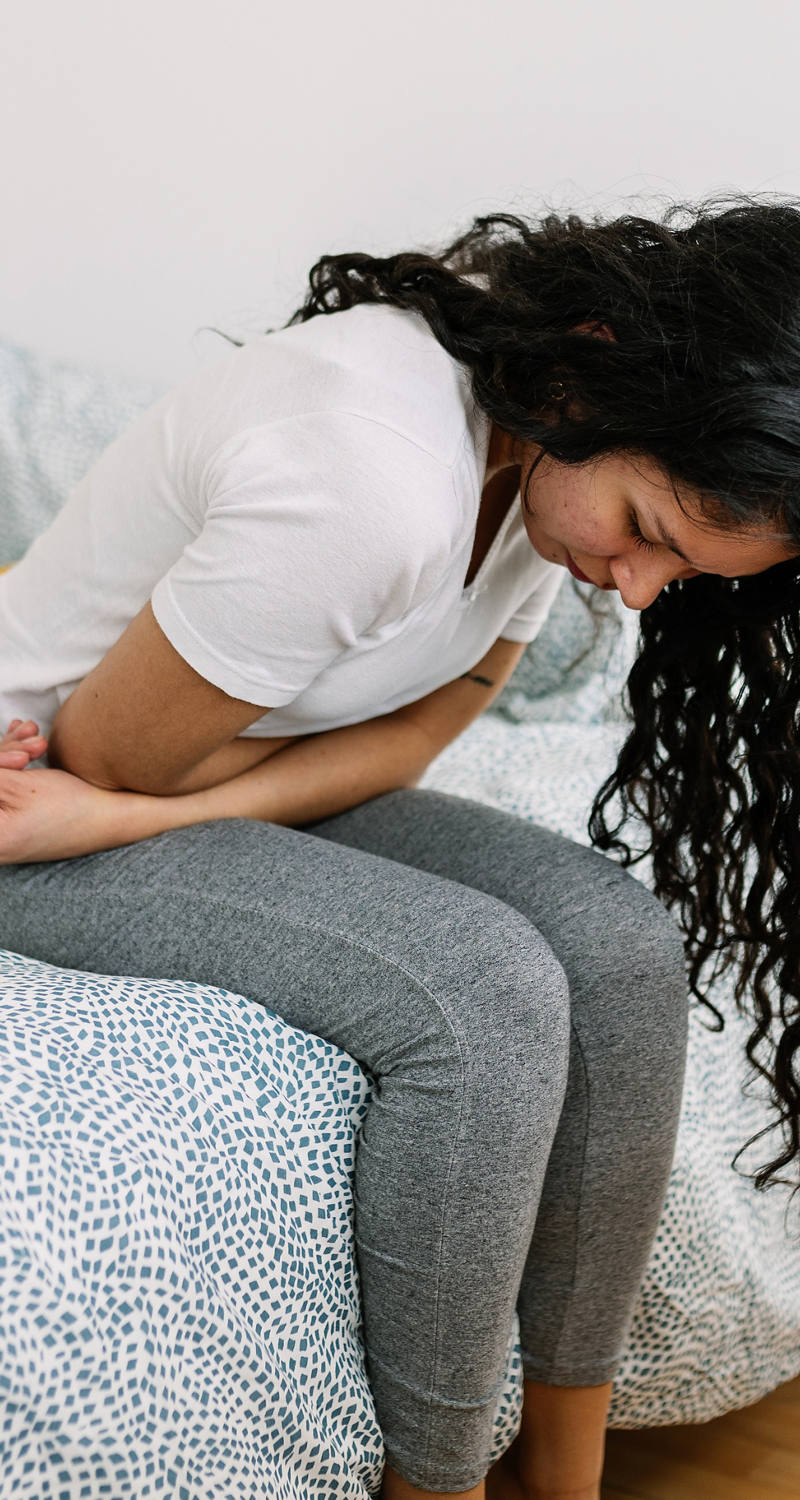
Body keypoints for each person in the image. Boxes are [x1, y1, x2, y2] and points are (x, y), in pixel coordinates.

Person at [0, 190, 798, 1500]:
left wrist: (146, 819)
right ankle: (439, 1486)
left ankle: (566, 1476)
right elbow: (112, 757)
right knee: (484, 992)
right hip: (35, 805)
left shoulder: (534, 439)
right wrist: (129, 809)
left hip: (153, 791)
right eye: (649, 533)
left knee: (618, 946)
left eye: (685, 575)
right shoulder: (373, 476)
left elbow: (420, 732)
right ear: (607, 370)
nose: (638, 590)